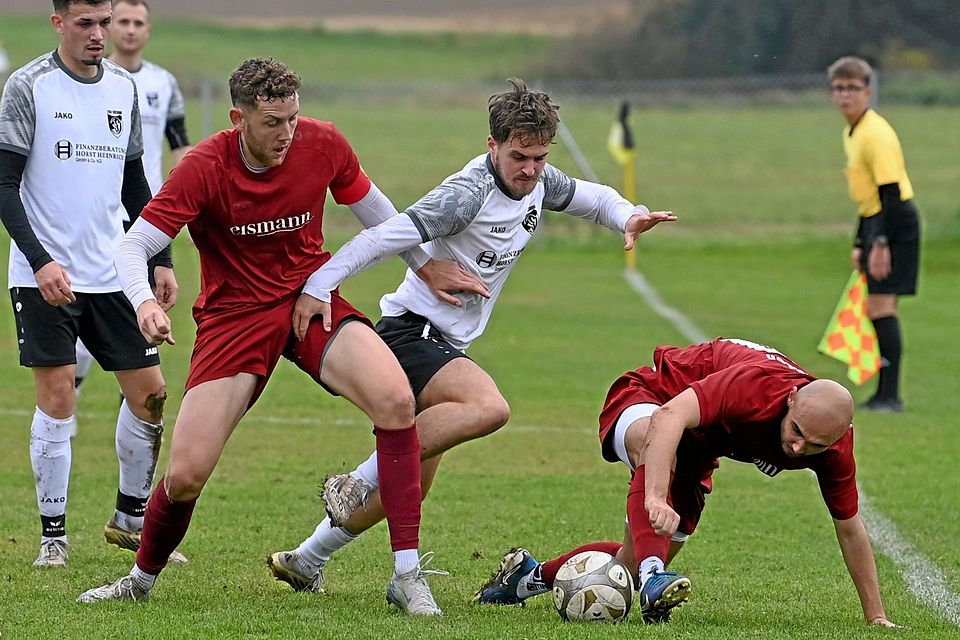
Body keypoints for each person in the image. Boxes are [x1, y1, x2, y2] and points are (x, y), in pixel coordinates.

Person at [266, 78, 676, 605]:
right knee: (488, 407)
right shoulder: (466, 195)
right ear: (492, 147)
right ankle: (356, 478)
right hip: (411, 332)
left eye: (539, 157)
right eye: (518, 156)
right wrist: (319, 286)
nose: (529, 169)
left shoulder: (539, 181)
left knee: (410, 483)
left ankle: (307, 559)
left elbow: (592, 198)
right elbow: (382, 236)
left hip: (446, 344)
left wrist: (628, 214)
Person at [76, 56, 456, 616]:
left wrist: (425, 266)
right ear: (238, 118)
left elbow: (382, 215)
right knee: (184, 475)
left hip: (308, 299)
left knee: (397, 399)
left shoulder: (322, 144)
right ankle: (139, 579)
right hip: (234, 319)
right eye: (272, 122)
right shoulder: (203, 167)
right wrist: (143, 303)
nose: (287, 134)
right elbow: (133, 246)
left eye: (293, 119)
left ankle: (406, 574)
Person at [474, 337, 897, 627]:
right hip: (651, 398)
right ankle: (656, 572)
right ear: (790, 401)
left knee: (629, 564)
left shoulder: (834, 448)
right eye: (796, 431)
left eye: (814, 444)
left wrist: (875, 616)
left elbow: (850, 527)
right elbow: (669, 418)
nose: (799, 448)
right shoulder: (757, 386)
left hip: (697, 448)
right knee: (654, 452)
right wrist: (655, 495)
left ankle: (529, 576)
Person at [0, 0, 177, 567]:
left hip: (113, 272)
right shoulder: (28, 87)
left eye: (104, 22)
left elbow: (134, 184)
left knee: (149, 394)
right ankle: (53, 538)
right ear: (58, 23)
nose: (99, 34)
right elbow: (4, 185)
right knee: (57, 400)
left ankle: (130, 522)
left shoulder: (122, 88)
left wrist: (160, 256)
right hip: (43, 275)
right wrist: (41, 260)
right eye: (85, 23)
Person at [74, 0, 193, 395]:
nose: (128, 29)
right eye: (121, 21)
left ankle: (137, 403)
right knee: (89, 306)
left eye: (137, 22)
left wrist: (190, 206)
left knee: (139, 313)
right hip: (98, 216)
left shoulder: (163, 83)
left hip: (147, 217)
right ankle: (69, 391)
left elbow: (180, 147)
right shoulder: (88, 80)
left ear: (147, 30)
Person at [828, 56, 921, 413]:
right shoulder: (852, 131)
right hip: (877, 222)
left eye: (852, 88)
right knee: (876, 307)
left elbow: (890, 193)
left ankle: (890, 395)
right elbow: (867, 197)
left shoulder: (875, 133)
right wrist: (860, 241)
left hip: (896, 222)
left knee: (882, 307)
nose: (845, 95)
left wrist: (880, 243)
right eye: (839, 88)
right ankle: (884, 392)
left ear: (868, 91)